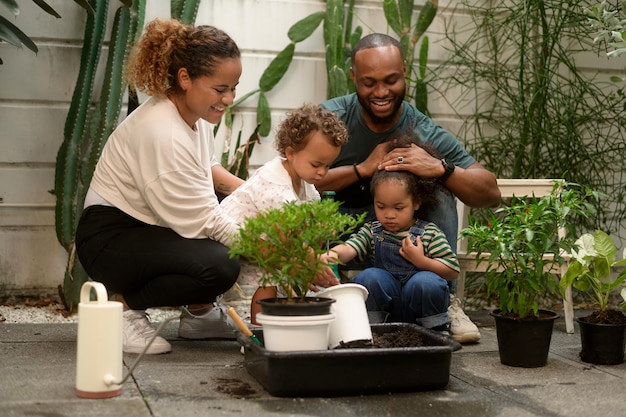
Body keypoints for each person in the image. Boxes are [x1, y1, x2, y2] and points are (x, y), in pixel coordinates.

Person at [75, 19, 246, 354]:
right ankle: (121, 311)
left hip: (145, 228)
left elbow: (207, 171)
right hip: (109, 239)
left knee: (223, 232)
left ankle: (199, 314)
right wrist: (265, 244)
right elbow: (205, 221)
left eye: (233, 88)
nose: (228, 98)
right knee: (220, 265)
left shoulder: (195, 117)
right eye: (220, 89)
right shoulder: (161, 129)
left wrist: (263, 194)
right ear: (185, 78)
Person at [316, 33, 501, 343]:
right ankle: (318, 298)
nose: (381, 92)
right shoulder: (331, 119)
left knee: (440, 189)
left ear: (404, 70)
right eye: (369, 82)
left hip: (411, 245)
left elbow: (490, 193)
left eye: (390, 80)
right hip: (344, 232)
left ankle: (446, 299)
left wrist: (440, 167)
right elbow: (290, 178)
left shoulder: (422, 129)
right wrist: (363, 169)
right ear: (352, 77)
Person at [220, 103, 348, 325]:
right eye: (316, 164)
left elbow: (309, 215)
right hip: (229, 239)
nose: (322, 172)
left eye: (328, 166)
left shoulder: (302, 179)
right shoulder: (276, 188)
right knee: (269, 277)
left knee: (275, 274)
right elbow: (286, 237)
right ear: (290, 152)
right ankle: (260, 329)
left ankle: (279, 324)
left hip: (261, 237)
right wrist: (311, 261)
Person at [321, 134, 459, 330]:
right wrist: (330, 255)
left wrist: (422, 261)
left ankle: (436, 333)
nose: (389, 215)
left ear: (416, 203)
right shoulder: (373, 230)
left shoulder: (428, 232)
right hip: (389, 309)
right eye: (381, 206)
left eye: (398, 207)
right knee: (369, 277)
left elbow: (452, 270)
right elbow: (350, 247)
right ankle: (372, 331)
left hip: (420, 311)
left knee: (426, 282)